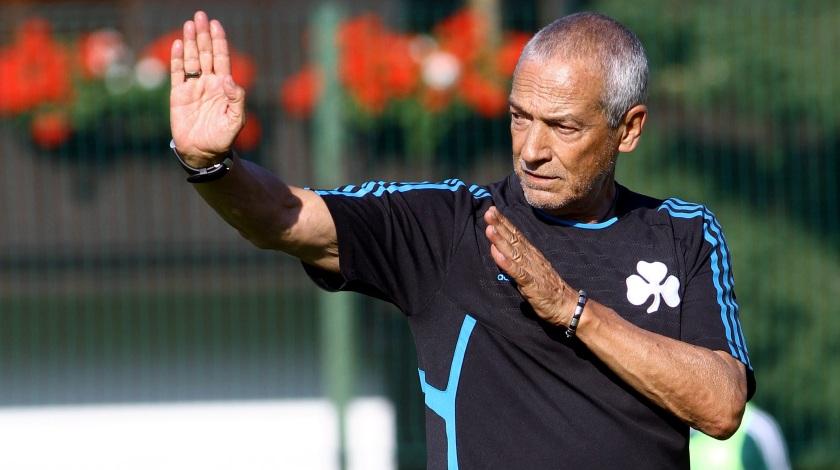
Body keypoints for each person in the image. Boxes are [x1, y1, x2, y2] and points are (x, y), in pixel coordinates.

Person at [169, 10, 755, 469]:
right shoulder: (451, 227)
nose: (532, 149)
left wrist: (571, 310)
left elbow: (722, 406)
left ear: (628, 129)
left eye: (563, 126)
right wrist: (211, 166)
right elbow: (282, 216)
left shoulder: (684, 233)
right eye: (520, 117)